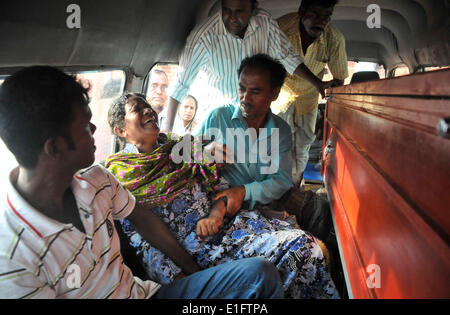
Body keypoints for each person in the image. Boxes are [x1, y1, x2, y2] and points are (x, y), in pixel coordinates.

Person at [0, 65, 284, 299]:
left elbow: (142, 217)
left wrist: (192, 271)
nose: (94, 129)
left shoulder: (98, 181)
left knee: (261, 274)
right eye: (86, 125)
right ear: (55, 147)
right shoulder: (12, 257)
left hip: (148, 294)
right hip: (188, 250)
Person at [105, 67, 338, 298]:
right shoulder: (121, 177)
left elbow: (217, 186)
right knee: (302, 249)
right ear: (120, 130)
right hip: (199, 251)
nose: (148, 110)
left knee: (307, 245)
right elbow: (142, 240)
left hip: (228, 226)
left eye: (147, 105)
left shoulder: (178, 147)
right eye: (138, 109)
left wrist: (219, 207)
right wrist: (185, 279)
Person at [161, 0, 333, 133]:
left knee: (253, 170)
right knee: (210, 169)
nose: (232, 17)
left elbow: (287, 56)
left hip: (256, 120)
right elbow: (181, 84)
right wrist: (166, 130)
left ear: (253, 7)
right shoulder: (204, 37)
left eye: (239, 11)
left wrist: (317, 83)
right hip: (218, 120)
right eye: (226, 10)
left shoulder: (264, 23)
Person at [196, 54, 292, 215]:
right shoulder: (217, 117)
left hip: (259, 212)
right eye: (242, 89)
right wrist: (205, 152)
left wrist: (244, 192)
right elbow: (184, 157)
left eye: (255, 91)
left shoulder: (282, 131)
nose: (245, 98)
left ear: (274, 94)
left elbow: (281, 180)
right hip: (212, 207)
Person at [275, 0, 348, 184]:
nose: (321, 21)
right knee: (278, 143)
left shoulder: (334, 39)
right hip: (280, 92)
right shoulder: (281, 28)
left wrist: (333, 93)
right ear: (302, 11)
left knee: (303, 145)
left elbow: (339, 79)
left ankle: (295, 187)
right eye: (316, 14)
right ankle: (276, 186)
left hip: (309, 96)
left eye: (326, 17)